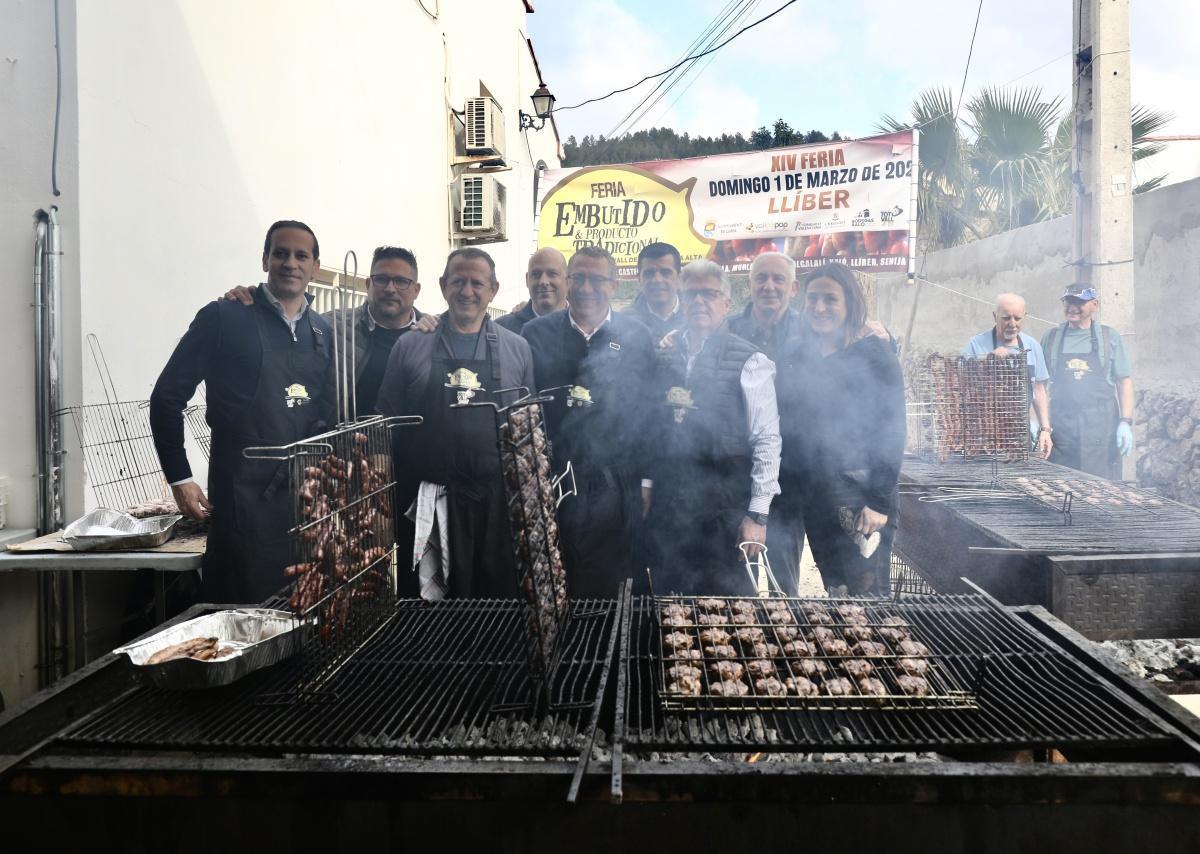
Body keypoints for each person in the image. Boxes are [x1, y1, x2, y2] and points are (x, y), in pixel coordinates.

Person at [150, 220, 334, 602]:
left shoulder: (323, 332)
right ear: (265, 259)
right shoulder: (225, 317)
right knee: (240, 613)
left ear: (315, 267)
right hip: (241, 502)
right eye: (280, 253)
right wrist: (180, 477)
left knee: (303, 615)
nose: (290, 263)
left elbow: (330, 415)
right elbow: (167, 396)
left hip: (306, 504)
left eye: (301, 256)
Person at [376, 248, 534, 599]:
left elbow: (528, 433)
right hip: (426, 503)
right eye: (458, 281)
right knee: (430, 612)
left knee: (493, 608)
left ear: (493, 290)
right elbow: (385, 426)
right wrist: (381, 505)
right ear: (443, 285)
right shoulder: (411, 344)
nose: (467, 291)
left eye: (477, 283)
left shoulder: (517, 349)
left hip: (496, 508)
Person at [522, 245, 658, 598]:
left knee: (616, 582)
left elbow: (649, 414)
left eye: (596, 280)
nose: (585, 288)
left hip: (619, 480)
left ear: (614, 284)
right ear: (567, 281)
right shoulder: (535, 334)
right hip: (555, 479)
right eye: (578, 278)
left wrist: (646, 481)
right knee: (557, 579)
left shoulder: (637, 336)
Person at [646, 260, 781, 595]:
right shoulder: (664, 355)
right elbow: (652, 429)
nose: (699, 301)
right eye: (691, 294)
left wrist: (758, 516)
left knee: (728, 608)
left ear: (727, 303)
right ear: (681, 300)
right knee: (669, 601)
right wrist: (647, 484)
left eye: (709, 294)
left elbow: (766, 440)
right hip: (670, 507)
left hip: (726, 509)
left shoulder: (752, 361)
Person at [775, 262, 905, 597]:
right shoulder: (798, 353)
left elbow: (892, 428)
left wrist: (879, 501)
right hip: (815, 495)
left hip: (859, 493)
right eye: (813, 298)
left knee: (868, 595)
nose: (819, 307)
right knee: (837, 590)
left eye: (830, 299)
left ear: (850, 302)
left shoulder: (875, 353)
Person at [223, 246, 426, 417]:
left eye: (401, 281)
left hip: (409, 450)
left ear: (416, 290)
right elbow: (285, 335)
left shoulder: (430, 335)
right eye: (381, 279)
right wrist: (256, 302)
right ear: (367, 284)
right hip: (340, 450)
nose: (390, 289)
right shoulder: (330, 326)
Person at [1040, 283, 1135, 479]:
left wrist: (1125, 422)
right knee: (1061, 484)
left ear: (1095, 305)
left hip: (1101, 428)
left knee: (1101, 486)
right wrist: (1040, 424)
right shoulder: (1051, 338)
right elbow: (1039, 385)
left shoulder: (1109, 337)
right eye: (1068, 302)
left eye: (1079, 302)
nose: (1072, 307)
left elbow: (1123, 383)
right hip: (1062, 427)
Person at [963, 293, 1053, 459]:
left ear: (1025, 317)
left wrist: (1045, 429)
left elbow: (1039, 390)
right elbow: (963, 387)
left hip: (1019, 436)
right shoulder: (976, 344)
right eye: (1006, 318)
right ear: (994, 316)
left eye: (1017, 318)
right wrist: (987, 359)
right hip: (983, 437)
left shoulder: (1032, 346)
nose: (1012, 324)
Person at [496, 247, 568, 334]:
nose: (543, 281)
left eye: (552, 274)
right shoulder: (501, 330)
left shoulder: (582, 328)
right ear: (527, 280)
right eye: (536, 274)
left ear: (567, 279)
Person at [622, 242, 685, 341]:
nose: (657, 280)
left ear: (679, 278)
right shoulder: (624, 322)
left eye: (665, 272)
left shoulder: (697, 318)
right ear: (639, 279)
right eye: (649, 273)